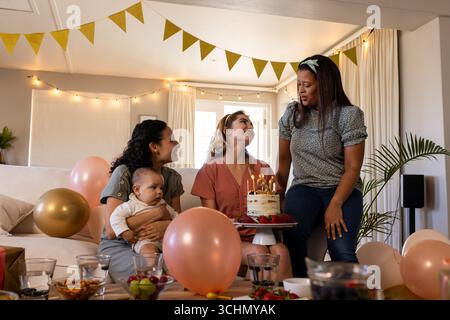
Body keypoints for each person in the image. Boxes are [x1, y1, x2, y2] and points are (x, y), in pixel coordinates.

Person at [277, 54, 368, 277]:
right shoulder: (292, 114)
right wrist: (278, 196)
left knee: (341, 248)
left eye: (306, 85)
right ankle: (301, 289)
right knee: (293, 236)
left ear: (325, 85)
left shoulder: (349, 115)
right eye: (298, 84)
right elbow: (284, 160)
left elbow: (352, 168)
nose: (301, 90)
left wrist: (336, 203)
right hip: (304, 187)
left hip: (342, 188)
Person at [191, 111, 293, 281]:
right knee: (259, 253)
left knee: (281, 251)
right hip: (226, 239)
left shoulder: (263, 168)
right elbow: (210, 219)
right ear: (227, 130)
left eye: (252, 124)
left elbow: (276, 208)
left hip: (263, 236)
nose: (250, 126)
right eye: (243, 121)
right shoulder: (210, 170)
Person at [98, 120, 184, 281]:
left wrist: (165, 225)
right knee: (151, 276)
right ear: (154, 147)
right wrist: (158, 212)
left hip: (158, 244)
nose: (176, 143)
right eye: (171, 139)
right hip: (120, 245)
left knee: (186, 270)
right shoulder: (124, 173)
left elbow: (178, 223)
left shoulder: (173, 179)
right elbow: (111, 231)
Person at [109, 167, 178, 255]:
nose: (159, 191)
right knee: (148, 250)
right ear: (137, 190)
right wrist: (124, 232)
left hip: (167, 238)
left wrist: (170, 224)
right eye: (154, 187)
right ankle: (150, 268)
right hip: (146, 241)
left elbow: (176, 217)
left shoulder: (162, 203)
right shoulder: (131, 205)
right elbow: (116, 217)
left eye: (161, 188)